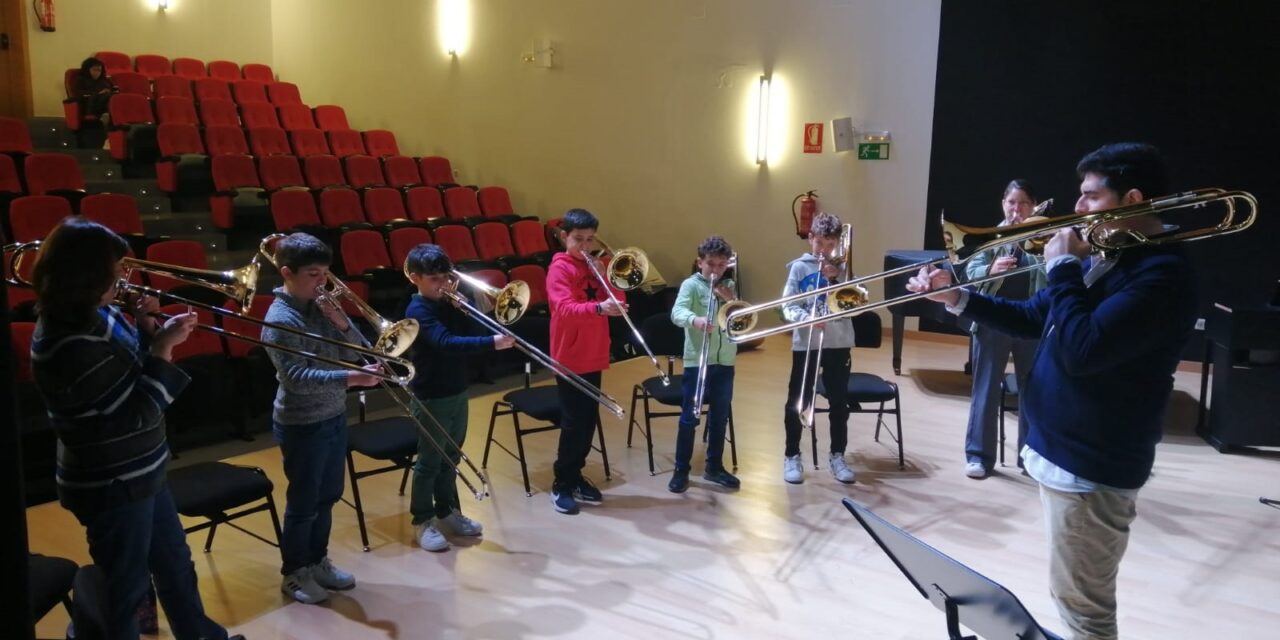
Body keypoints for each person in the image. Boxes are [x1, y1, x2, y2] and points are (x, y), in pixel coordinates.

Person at [908, 143, 1197, 640]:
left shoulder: (1161, 274)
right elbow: (1032, 316)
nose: (1077, 209)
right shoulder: (1116, 256)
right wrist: (956, 298)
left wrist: (1063, 268)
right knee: (1070, 594)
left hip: (1091, 466)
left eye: (1089, 197)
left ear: (1131, 197)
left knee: (1084, 613)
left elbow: (1083, 350)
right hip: (1065, 454)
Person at [29, 217, 243, 640]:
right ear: (86, 276)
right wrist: (164, 348)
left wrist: (148, 331)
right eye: (115, 270)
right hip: (113, 482)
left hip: (143, 468)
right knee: (124, 592)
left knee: (175, 565)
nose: (123, 278)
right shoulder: (66, 341)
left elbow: (129, 372)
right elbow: (135, 412)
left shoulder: (98, 312)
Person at [261, 233, 379, 605]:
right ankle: (294, 573)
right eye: (314, 274)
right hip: (302, 423)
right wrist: (351, 378)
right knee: (304, 502)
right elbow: (295, 379)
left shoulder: (319, 306)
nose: (323, 283)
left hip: (332, 415)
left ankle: (316, 560)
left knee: (329, 496)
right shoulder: (281, 318)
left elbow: (360, 347)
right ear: (286, 272)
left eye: (326, 274)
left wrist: (342, 323)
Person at [403, 244, 515, 550]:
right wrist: (493, 342)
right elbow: (446, 342)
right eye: (434, 280)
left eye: (445, 278)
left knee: (451, 456)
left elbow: (472, 326)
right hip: (430, 394)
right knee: (429, 462)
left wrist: (467, 307)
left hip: (456, 389)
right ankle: (422, 520)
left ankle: (447, 511)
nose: (443, 285)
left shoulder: (447, 303)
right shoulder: (418, 310)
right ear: (415, 278)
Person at [961, 179, 1047, 478]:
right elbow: (970, 273)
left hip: (1031, 322)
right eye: (1012, 202)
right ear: (1003, 204)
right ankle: (978, 457)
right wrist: (991, 269)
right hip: (994, 320)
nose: (1017, 209)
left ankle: (1030, 457)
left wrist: (1043, 250)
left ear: (1033, 206)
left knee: (1033, 391)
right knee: (985, 388)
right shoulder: (991, 237)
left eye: (1023, 203)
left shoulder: (1044, 236)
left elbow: (1054, 274)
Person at [545, 208, 626, 514]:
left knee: (589, 419)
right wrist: (598, 309)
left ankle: (575, 474)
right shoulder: (559, 269)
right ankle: (562, 482)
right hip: (569, 355)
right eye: (578, 239)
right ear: (565, 237)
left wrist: (610, 278)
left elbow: (619, 302)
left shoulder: (597, 264)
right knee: (573, 422)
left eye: (590, 240)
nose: (585, 246)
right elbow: (563, 309)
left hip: (594, 353)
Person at [781, 212, 856, 485]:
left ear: (837, 243)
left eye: (830, 244)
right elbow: (787, 305)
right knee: (798, 401)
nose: (824, 250)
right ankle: (792, 455)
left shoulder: (845, 267)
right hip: (806, 344)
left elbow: (856, 304)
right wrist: (807, 319)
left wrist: (837, 279)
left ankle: (837, 455)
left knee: (839, 401)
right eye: (820, 243)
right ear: (810, 238)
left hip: (838, 343)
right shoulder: (799, 268)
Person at [667, 235, 742, 493]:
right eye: (710, 264)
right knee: (690, 416)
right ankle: (681, 469)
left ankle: (714, 467)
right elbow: (677, 313)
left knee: (720, 416)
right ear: (700, 262)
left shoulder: (729, 285)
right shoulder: (691, 285)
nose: (715, 270)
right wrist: (695, 320)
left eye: (721, 265)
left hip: (725, 361)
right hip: (697, 361)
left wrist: (730, 300)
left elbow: (740, 319)